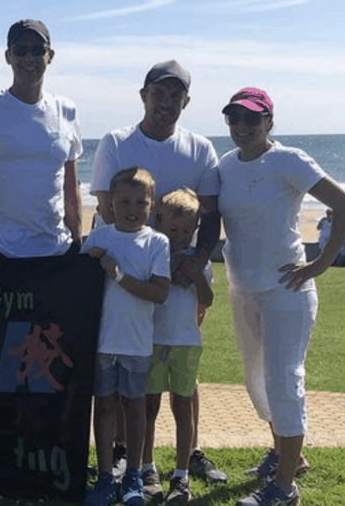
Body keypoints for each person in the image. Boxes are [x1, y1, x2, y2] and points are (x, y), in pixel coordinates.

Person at [91, 60, 226, 491]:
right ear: (143, 95)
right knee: (127, 361)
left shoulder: (200, 148)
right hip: (130, 275)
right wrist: (152, 262)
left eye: (176, 95)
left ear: (186, 101)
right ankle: (126, 453)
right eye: (159, 93)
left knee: (182, 355)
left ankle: (190, 454)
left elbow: (210, 214)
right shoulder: (116, 142)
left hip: (184, 277)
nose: (166, 102)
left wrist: (195, 261)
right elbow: (106, 207)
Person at [218, 87, 345, 506]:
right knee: (256, 380)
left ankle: (284, 487)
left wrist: (320, 263)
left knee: (284, 380)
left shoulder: (289, 160)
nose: (242, 126)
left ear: (268, 121)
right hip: (242, 288)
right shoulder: (225, 165)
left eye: (251, 118)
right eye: (234, 117)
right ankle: (285, 455)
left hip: (287, 291)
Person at [81, 167, 170, 506]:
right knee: (103, 407)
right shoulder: (98, 238)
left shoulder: (157, 242)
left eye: (140, 202)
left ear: (152, 206)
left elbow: (159, 292)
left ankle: (133, 473)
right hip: (102, 342)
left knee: (135, 408)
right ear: (109, 204)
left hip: (136, 342)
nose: (132, 209)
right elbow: (76, 284)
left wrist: (118, 275)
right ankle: (105, 475)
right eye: (123, 202)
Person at [0, 19, 83, 259]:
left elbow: (71, 185)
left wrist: (76, 242)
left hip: (58, 250)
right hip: (3, 252)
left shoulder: (66, 110)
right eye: (20, 50)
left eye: (37, 50)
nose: (29, 58)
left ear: (50, 55)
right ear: (8, 56)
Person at [142, 189, 213, 505]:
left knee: (183, 409)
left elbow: (207, 300)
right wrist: (171, 269)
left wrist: (197, 276)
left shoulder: (200, 261)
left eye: (187, 231)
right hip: (153, 341)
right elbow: (150, 292)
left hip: (186, 343)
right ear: (158, 223)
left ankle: (181, 475)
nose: (180, 236)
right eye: (173, 229)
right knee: (149, 409)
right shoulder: (151, 255)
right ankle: (147, 468)